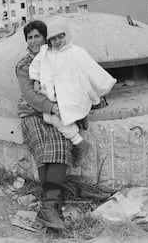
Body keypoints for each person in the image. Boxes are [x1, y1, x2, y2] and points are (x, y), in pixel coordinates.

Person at [15, 20, 75, 230]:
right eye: (29, 37)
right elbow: (29, 95)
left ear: (45, 38)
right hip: (32, 113)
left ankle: (49, 207)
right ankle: (51, 207)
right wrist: (52, 107)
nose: (33, 41)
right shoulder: (24, 65)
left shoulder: (56, 57)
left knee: (60, 145)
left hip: (57, 113)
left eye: (36, 36)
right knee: (43, 149)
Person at [28, 16, 116, 158]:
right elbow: (35, 66)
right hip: (55, 95)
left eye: (60, 37)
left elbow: (91, 69)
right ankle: (79, 138)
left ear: (66, 35)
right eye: (53, 39)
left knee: (68, 111)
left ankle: (78, 134)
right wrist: (36, 80)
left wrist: (101, 87)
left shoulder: (76, 52)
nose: (57, 42)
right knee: (49, 117)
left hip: (74, 92)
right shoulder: (45, 52)